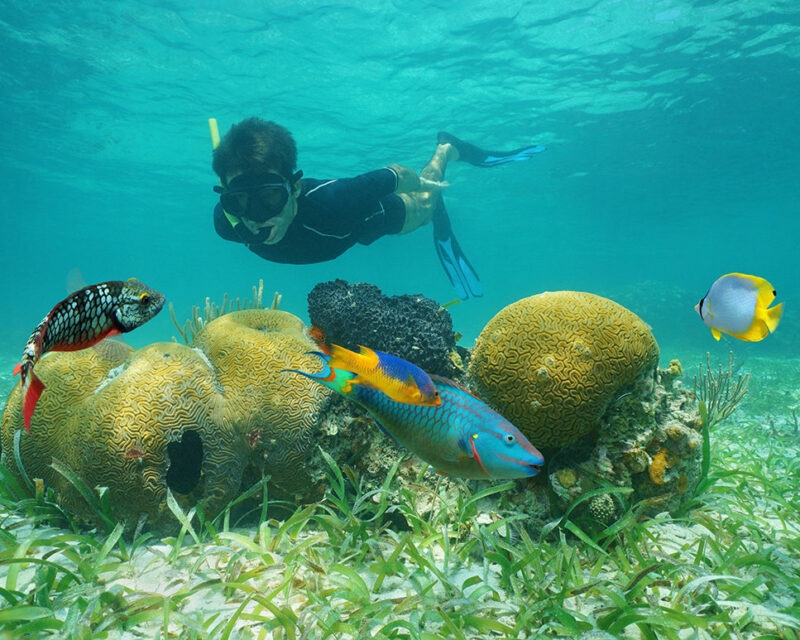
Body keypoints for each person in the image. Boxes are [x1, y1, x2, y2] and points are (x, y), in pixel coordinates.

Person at [211, 118, 544, 299]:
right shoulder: (228, 224)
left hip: (363, 219)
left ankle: (446, 148)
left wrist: (425, 186)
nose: (255, 216)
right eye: (239, 200)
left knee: (426, 208)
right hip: (340, 236)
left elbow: (395, 175)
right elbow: (237, 208)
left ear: (294, 187)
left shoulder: (336, 200)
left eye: (269, 197)